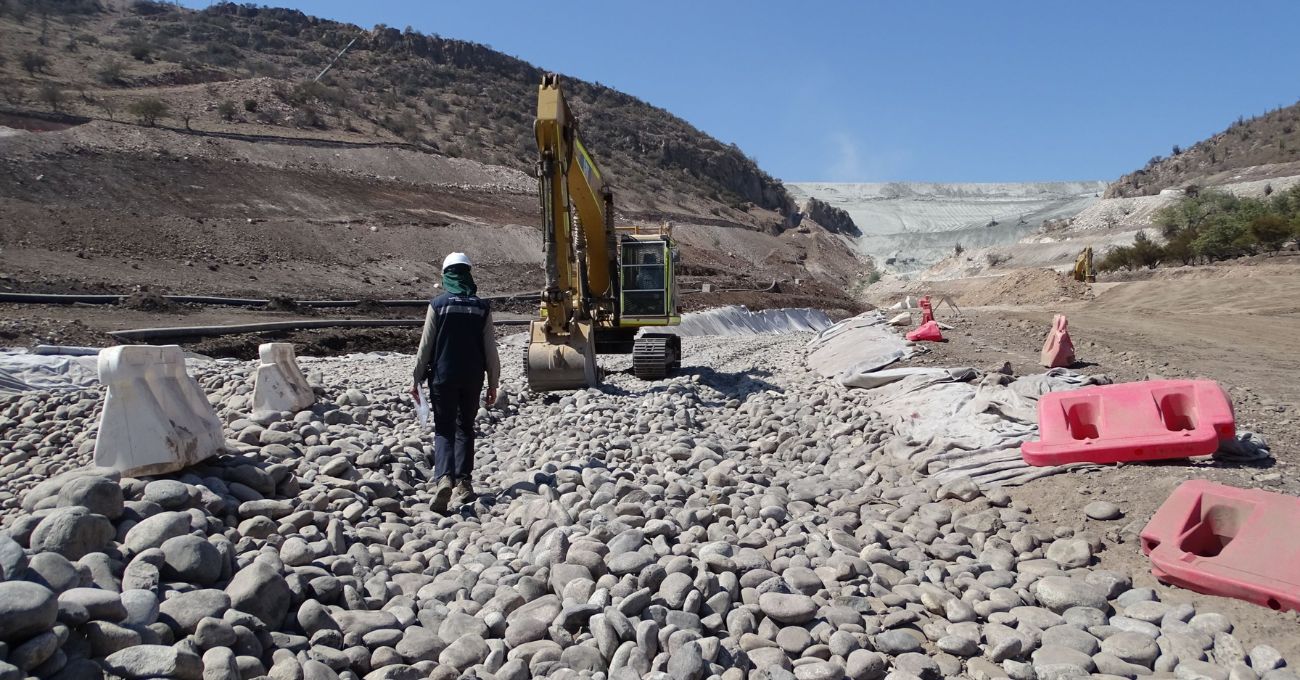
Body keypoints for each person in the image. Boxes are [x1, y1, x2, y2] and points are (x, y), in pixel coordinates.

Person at [411, 252, 500, 512]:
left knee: (444, 429)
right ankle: (464, 482)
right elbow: (490, 350)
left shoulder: (438, 305)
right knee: (465, 428)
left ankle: (444, 478)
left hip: (442, 377)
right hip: (472, 378)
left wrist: (415, 379)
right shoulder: (481, 307)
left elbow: (425, 346)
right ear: (468, 274)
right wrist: (493, 382)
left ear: (446, 275)